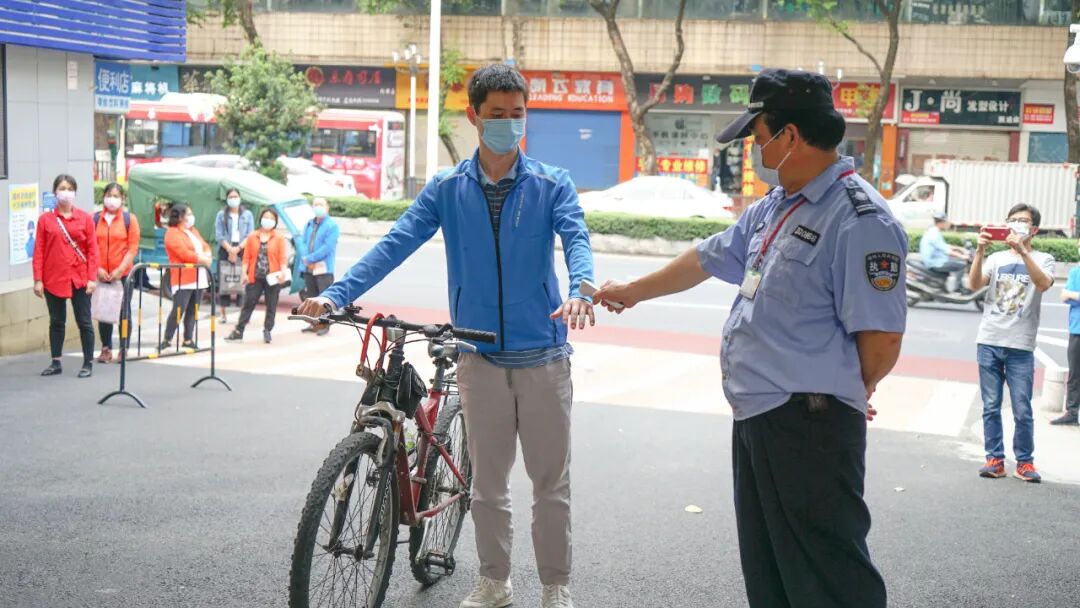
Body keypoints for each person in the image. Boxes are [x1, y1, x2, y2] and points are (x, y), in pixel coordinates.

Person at [594, 69, 906, 608]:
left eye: (759, 137)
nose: (754, 151)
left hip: (810, 423)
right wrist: (634, 291)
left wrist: (840, 392)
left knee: (830, 575)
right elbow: (708, 257)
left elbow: (881, 342)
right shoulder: (777, 206)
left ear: (791, 136)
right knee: (771, 570)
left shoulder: (860, 220)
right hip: (761, 417)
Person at [298, 63, 594, 608]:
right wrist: (336, 295)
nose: (508, 123)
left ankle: (556, 587)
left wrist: (582, 288)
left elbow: (577, 238)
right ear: (474, 117)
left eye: (517, 114)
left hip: (544, 357)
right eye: (497, 114)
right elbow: (395, 243)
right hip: (479, 358)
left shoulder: (552, 184)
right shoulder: (448, 188)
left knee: (551, 486)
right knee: (487, 487)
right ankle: (495, 582)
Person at [969, 204, 1055, 482]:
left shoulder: (1044, 258)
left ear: (1034, 229)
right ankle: (994, 460)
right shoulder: (996, 258)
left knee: (1022, 408)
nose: (1017, 224)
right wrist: (980, 251)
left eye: (1023, 221)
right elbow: (974, 285)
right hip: (989, 339)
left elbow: (1043, 284)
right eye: (1013, 220)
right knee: (991, 405)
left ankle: (1025, 463)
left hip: (1021, 345)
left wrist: (1023, 251)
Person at [33, 174, 100, 378]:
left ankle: (88, 362)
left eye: (70, 189)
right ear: (55, 192)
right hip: (53, 278)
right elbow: (39, 250)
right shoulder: (45, 220)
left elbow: (92, 250)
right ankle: (56, 362)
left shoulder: (85, 218)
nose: (66, 192)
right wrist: (38, 279)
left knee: (84, 321)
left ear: (75, 193)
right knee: (56, 321)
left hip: (80, 277)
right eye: (62, 188)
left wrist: (92, 278)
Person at [93, 183, 141, 363]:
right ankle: (106, 349)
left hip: (123, 274)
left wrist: (120, 269)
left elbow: (132, 248)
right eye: (109, 195)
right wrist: (98, 268)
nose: (112, 199)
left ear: (122, 199)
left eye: (116, 196)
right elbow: (91, 247)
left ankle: (123, 348)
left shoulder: (129, 219)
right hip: (102, 274)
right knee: (104, 311)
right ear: (103, 197)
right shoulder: (95, 219)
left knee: (123, 311)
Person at [226, 208, 289, 344]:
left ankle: (267, 330)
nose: (268, 220)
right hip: (255, 277)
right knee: (248, 303)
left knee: (271, 305)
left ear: (275, 222)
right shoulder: (252, 236)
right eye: (266, 217)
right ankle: (239, 331)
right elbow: (246, 257)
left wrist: (283, 272)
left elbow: (282, 258)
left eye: (271, 218)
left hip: (272, 278)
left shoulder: (279, 238)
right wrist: (244, 273)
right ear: (261, 219)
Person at [162, 203, 212, 351]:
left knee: (193, 310)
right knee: (179, 309)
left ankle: (188, 339)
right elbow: (183, 253)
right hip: (183, 278)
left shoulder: (192, 231)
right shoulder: (172, 233)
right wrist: (202, 259)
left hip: (199, 276)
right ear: (180, 216)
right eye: (188, 214)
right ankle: (167, 338)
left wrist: (207, 255)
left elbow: (205, 245)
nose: (191, 217)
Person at [297, 197, 339, 337]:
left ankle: (325, 324)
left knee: (325, 298)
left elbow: (328, 247)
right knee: (312, 297)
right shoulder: (309, 224)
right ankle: (313, 323)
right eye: (315, 204)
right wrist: (306, 259)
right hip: (308, 267)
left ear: (327, 207)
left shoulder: (332, 226)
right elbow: (302, 243)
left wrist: (311, 258)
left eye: (321, 204)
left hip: (323, 268)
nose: (318, 207)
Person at [214, 187, 255, 323]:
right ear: (227, 199)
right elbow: (219, 235)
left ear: (240, 198)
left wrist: (237, 249)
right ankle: (223, 315)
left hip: (242, 249)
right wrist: (230, 249)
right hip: (225, 249)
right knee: (224, 282)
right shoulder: (221, 215)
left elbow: (250, 235)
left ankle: (242, 316)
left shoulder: (247, 214)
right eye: (230, 197)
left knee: (242, 281)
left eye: (235, 196)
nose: (233, 199)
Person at [1054, 245, 1080, 426]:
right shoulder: (1075, 272)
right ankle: (1072, 412)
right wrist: (1072, 295)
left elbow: (1068, 295)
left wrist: (1073, 295)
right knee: (1075, 374)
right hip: (1076, 328)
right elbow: (1063, 297)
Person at [919, 213, 970, 292]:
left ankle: (944, 288)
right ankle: (958, 288)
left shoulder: (934, 231)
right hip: (935, 263)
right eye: (946, 222)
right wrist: (962, 256)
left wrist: (960, 249)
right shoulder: (934, 234)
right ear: (941, 223)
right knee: (961, 265)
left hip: (937, 260)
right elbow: (947, 251)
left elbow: (944, 246)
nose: (948, 224)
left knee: (955, 261)